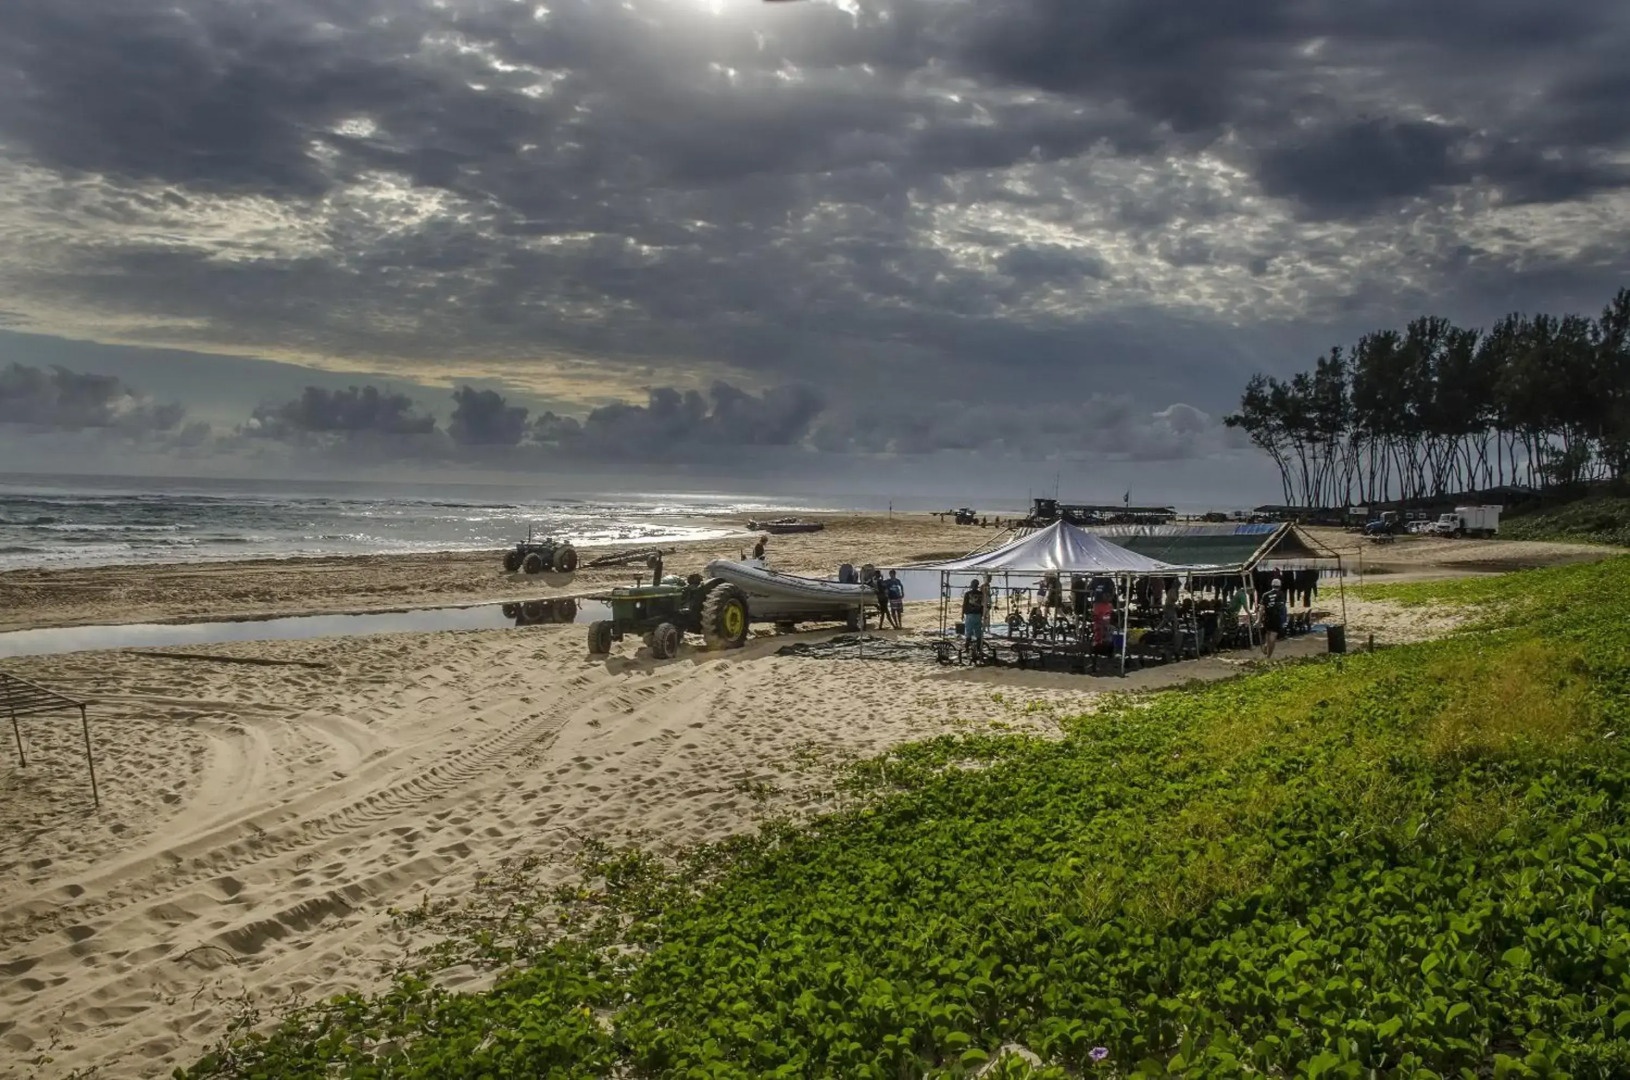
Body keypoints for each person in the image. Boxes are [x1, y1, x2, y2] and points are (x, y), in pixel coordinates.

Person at [1260, 576, 1286, 658]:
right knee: (1273, 636)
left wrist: (1258, 620)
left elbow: (1262, 609)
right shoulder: (1281, 594)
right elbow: (1283, 607)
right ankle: (1268, 655)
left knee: (1268, 633)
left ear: (1271, 585)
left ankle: (1266, 645)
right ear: (1280, 586)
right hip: (1277, 618)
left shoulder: (1265, 595)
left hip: (1267, 617)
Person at [961, 579, 985, 648]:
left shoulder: (968, 594)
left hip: (970, 615)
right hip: (978, 615)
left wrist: (962, 614)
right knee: (978, 630)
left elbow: (964, 604)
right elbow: (983, 605)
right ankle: (978, 647)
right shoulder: (981, 594)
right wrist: (982, 614)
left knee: (969, 630)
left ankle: (967, 646)